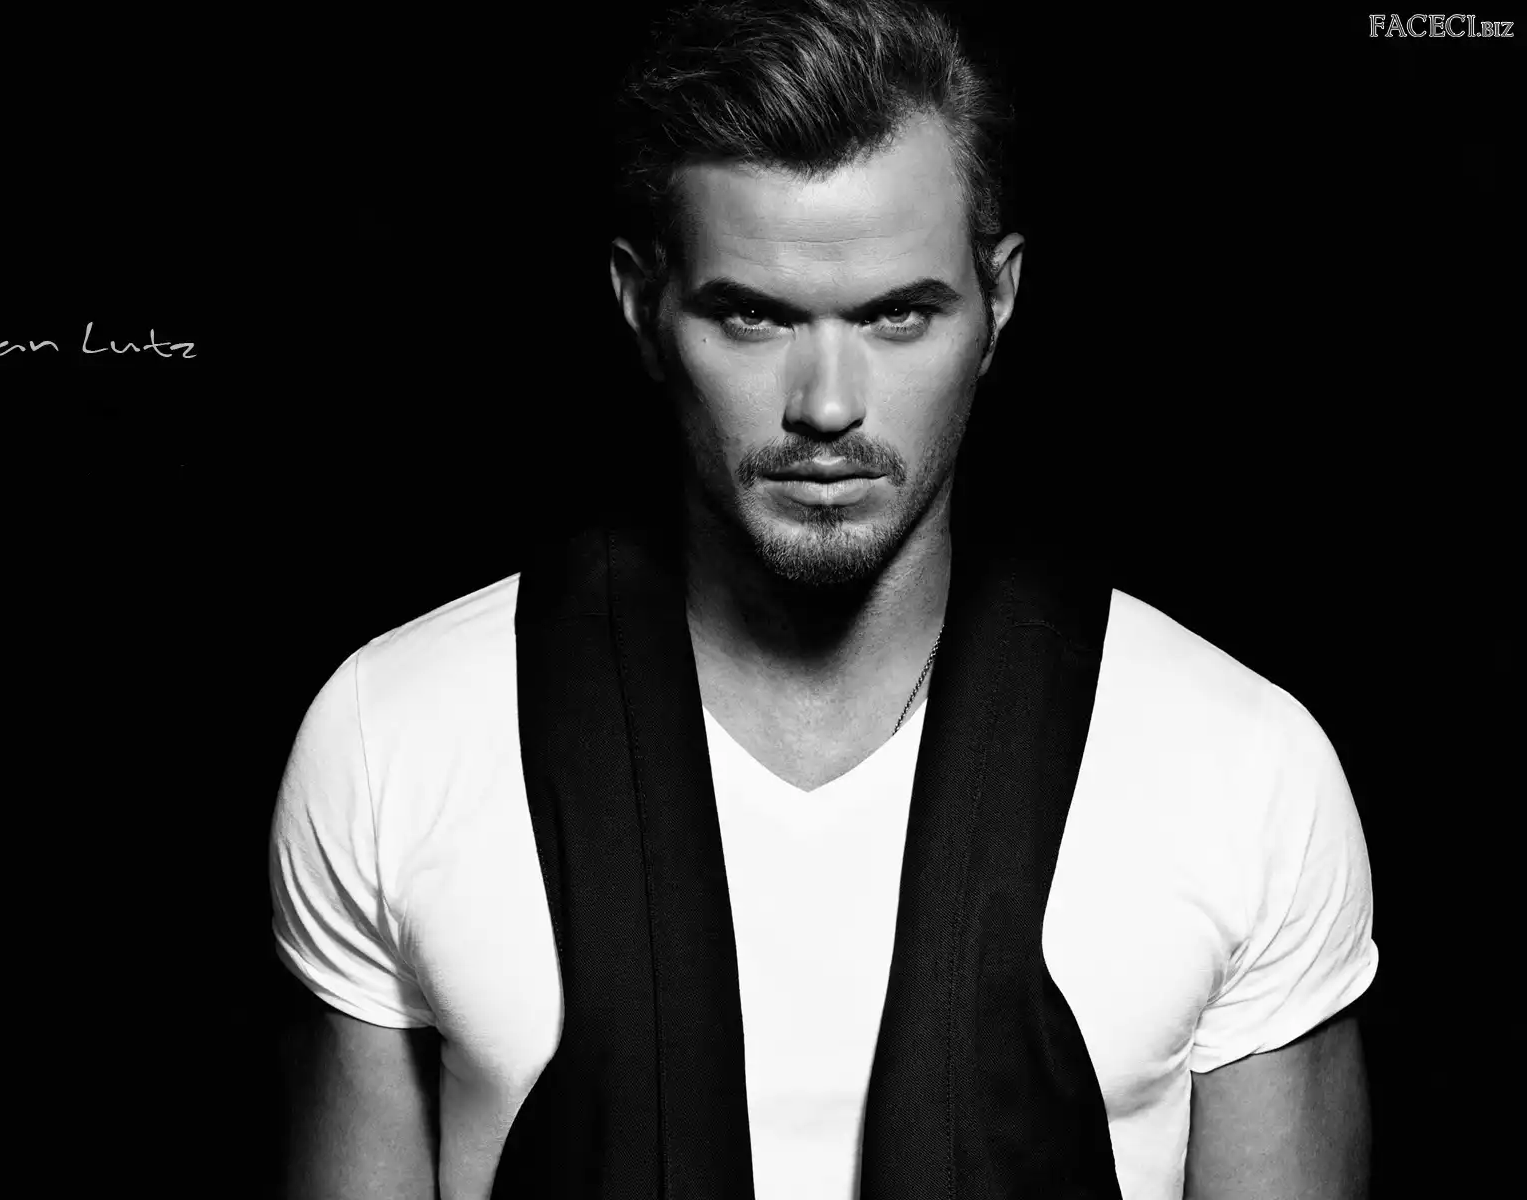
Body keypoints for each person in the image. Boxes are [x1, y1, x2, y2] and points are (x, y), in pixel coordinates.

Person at [268, 2, 1376, 1197]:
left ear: (1000, 298)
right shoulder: (395, 734)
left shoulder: (1241, 769)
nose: (829, 405)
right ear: (640, 302)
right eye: (753, 314)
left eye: (899, 314)